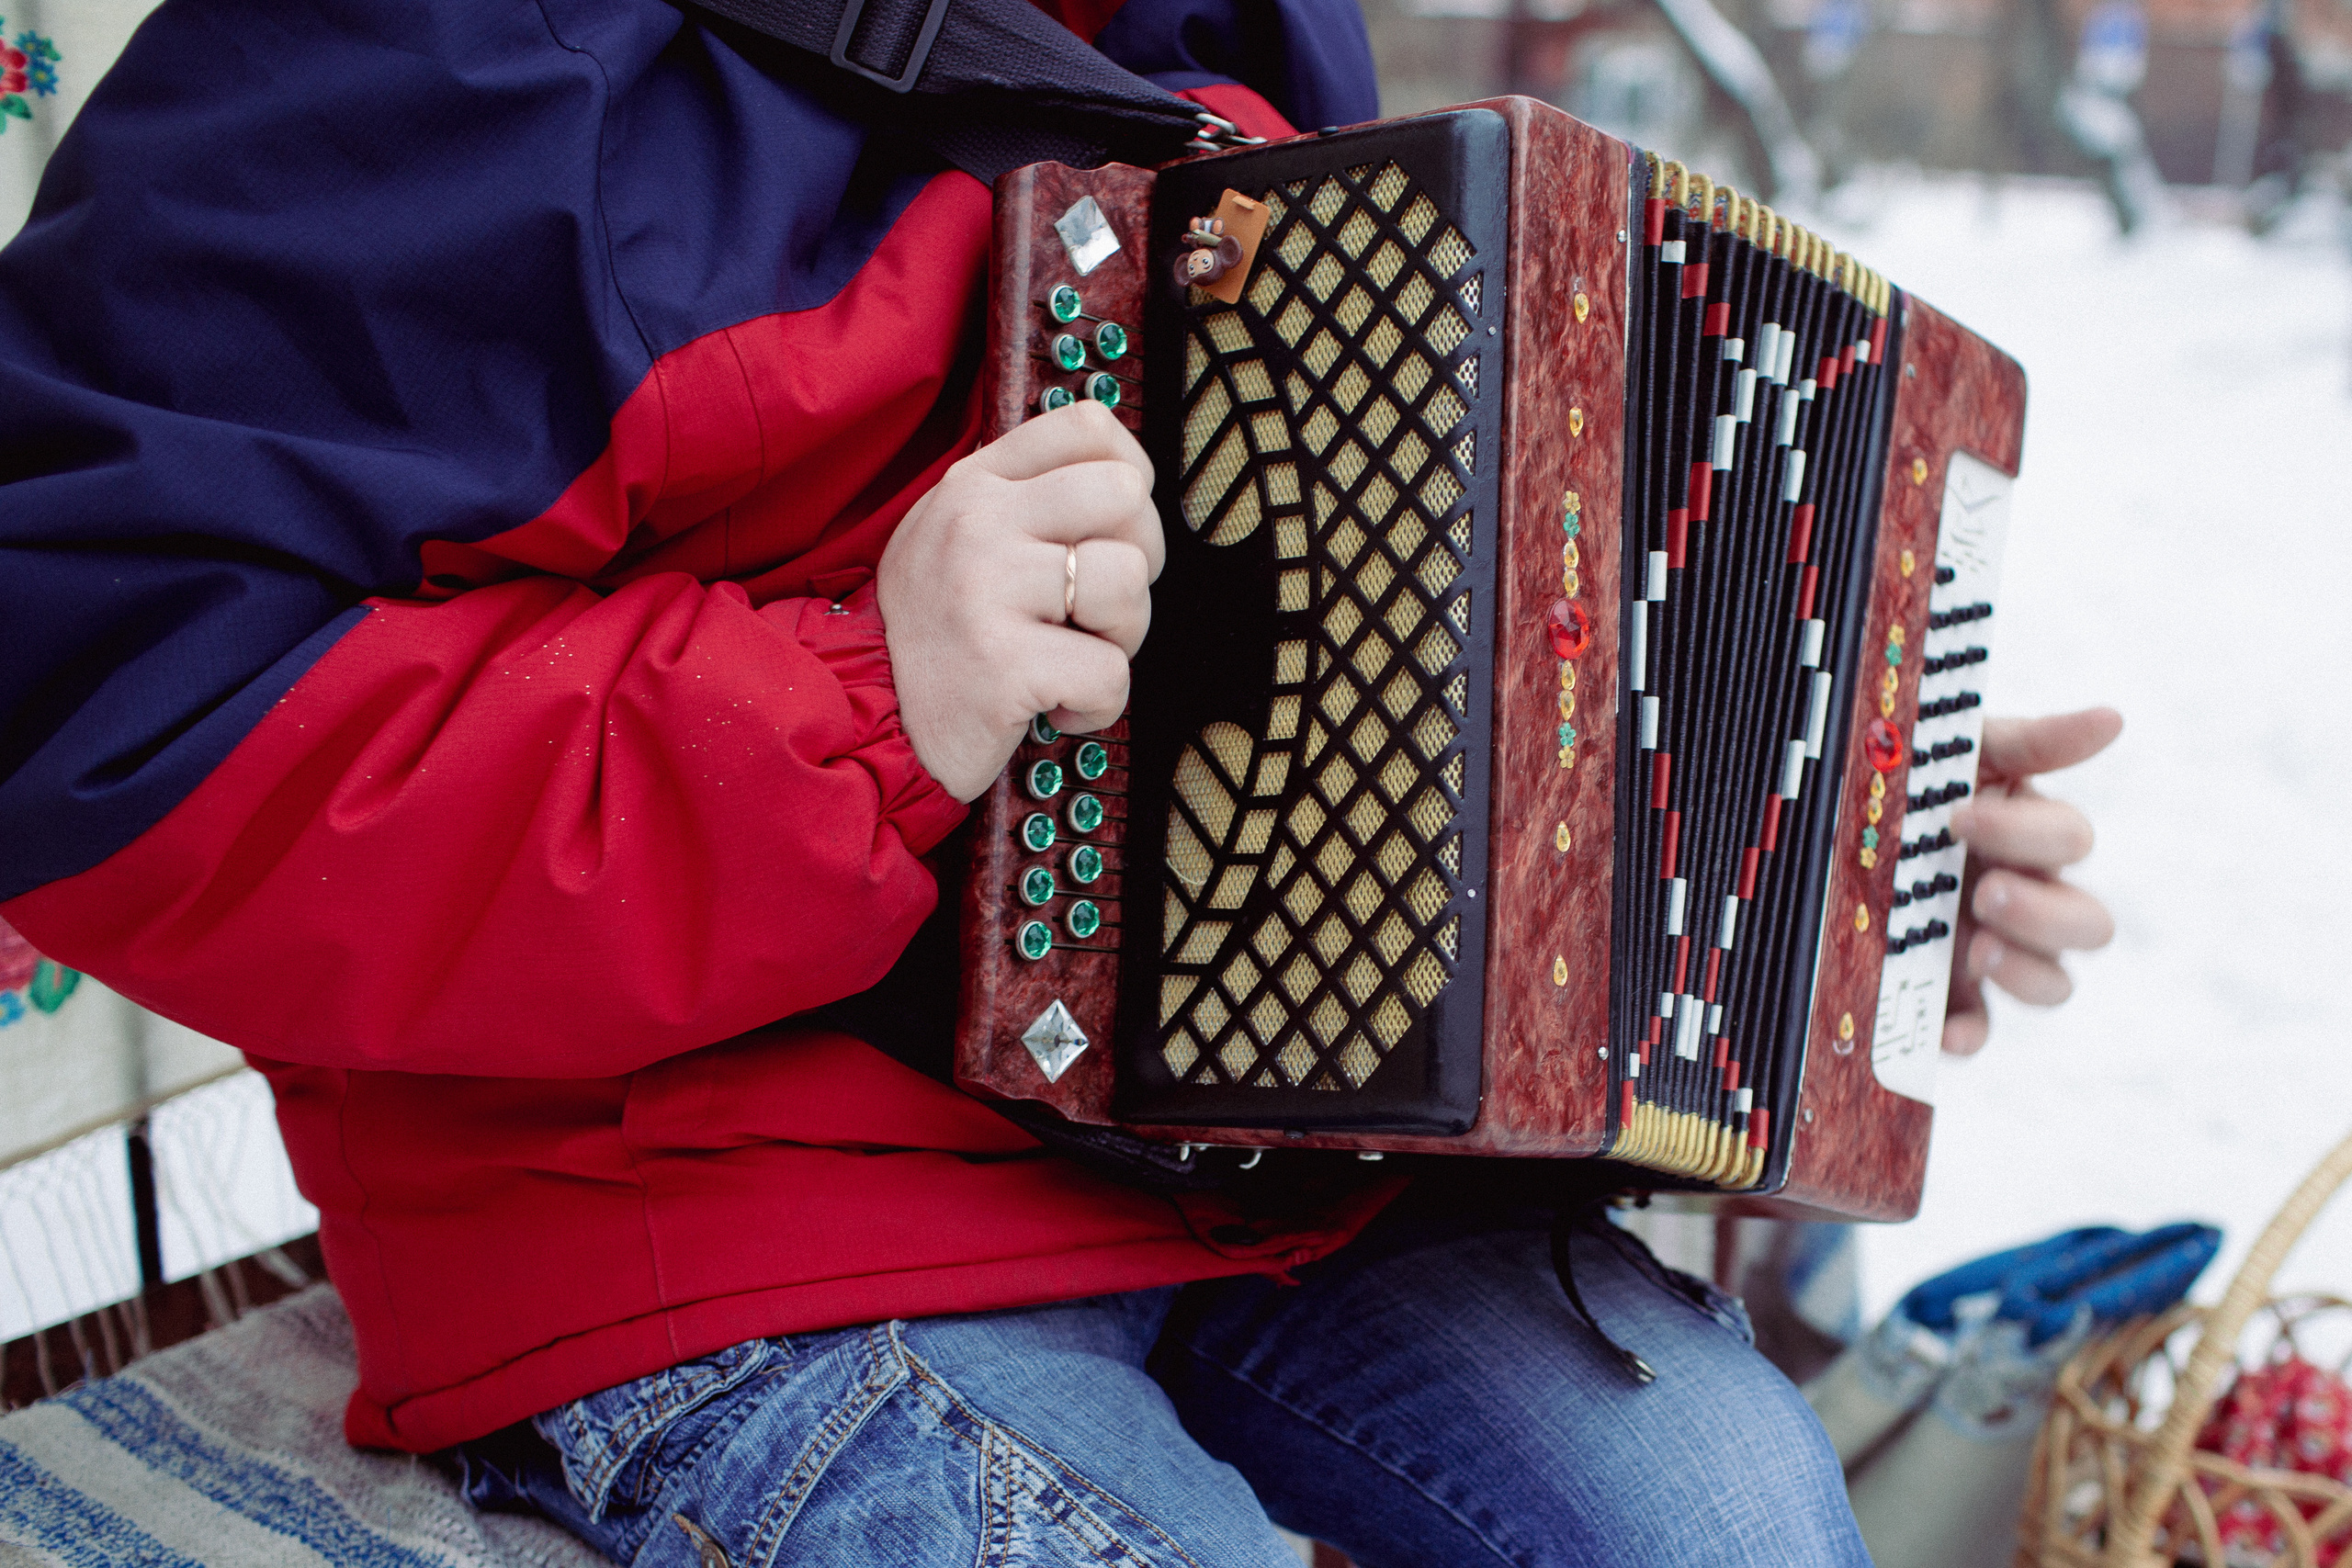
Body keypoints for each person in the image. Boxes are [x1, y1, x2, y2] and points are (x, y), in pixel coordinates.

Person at [0, 1, 2116, 1562]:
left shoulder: (1236, 46)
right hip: (718, 1199)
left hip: (1264, 1169)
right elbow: (104, 710)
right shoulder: (410, 58)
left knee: (1730, 1526)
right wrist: (863, 691)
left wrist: (1826, 868)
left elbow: (1391, 717)